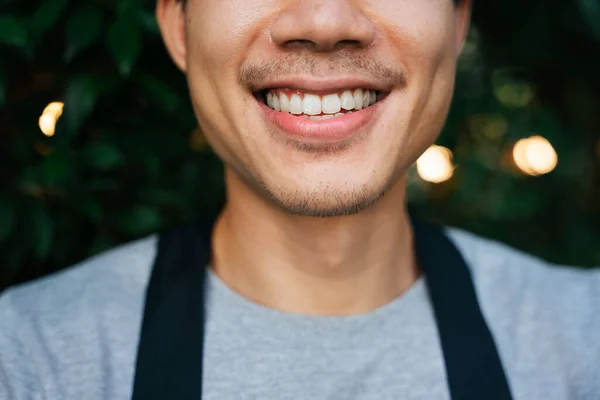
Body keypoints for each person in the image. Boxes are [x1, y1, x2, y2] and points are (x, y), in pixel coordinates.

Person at [1, 0, 599, 398]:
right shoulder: (26, 360)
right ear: (179, 27)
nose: (322, 19)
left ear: (457, 21)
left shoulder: (583, 342)